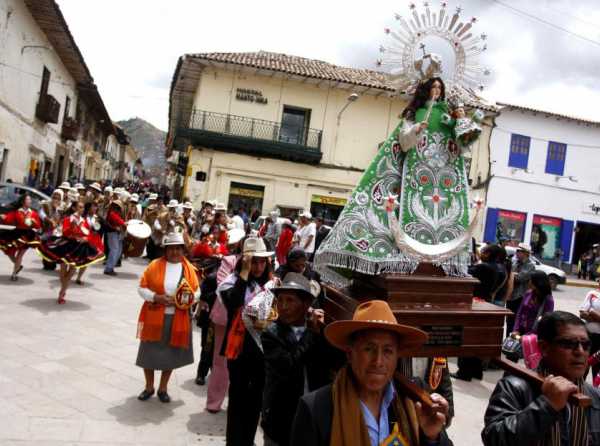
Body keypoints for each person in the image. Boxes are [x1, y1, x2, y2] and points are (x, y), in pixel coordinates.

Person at [315, 77, 481, 279]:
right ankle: (401, 258)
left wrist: (462, 120)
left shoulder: (449, 114)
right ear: (426, 90)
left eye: (439, 87)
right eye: (433, 87)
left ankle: (443, 260)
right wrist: (416, 130)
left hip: (445, 176)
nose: (436, 90)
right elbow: (404, 142)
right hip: (416, 172)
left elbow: (463, 142)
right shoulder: (415, 113)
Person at [290, 300, 452, 446]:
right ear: (349, 353)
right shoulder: (317, 408)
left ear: (397, 356)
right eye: (369, 349)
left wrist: (432, 437)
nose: (378, 361)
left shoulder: (415, 398)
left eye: (388, 351)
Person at [481, 311, 600, 445]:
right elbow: (494, 439)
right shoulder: (514, 387)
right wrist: (547, 404)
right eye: (568, 344)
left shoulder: (594, 398)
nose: (580, 352)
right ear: (544, 347)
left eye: (585, 345)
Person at [261, 273, 331, 446]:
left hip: (313, 417)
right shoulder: (271, 334)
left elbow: (331, 364)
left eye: (290, 300)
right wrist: (311, 333)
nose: (283, 306)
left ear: (306, 304)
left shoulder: (318, 331)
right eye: (280, 300)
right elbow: (288, 366)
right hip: (280, 419)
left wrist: (324, 332)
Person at [219, 237, 274, 446]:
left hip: (262, 352)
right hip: (239, 350)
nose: (258, 267)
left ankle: (248, 441)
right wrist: (243, 273)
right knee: (238, 398)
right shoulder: (230, 283)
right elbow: (232, 304)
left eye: (262, 261)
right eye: (253, 262)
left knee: (255, 401)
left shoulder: (271, 284)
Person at [135, 232, 200, 403]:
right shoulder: (154, 265)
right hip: (154, 316)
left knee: (170, 355)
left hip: (177, 318)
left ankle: (163, 388)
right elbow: (141, 288)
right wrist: (156, 297)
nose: (175, 252)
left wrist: (185, 301)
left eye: (178, 248)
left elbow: (197, 292)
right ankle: (149, 387)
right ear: (166, 250)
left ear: (183, 250)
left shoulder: (189, 269)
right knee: (147, 353)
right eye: (171, 248)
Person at [204, 228, 245, 413]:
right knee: (220, 362)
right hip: (225, 317)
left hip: (249, 322)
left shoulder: (263, 265)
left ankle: (238, 403)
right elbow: (223, 286)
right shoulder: (229, 261)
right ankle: (214, 403)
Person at [38, 200, 105, 303]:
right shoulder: (68, 219)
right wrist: (72, 227)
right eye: (79, 207)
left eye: (82, 207)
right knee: (63, 272)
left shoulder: (84, 221)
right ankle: (63, 289)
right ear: (74, 208)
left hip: (79, 247)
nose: (81, 209)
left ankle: (62, 292)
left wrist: (86, 239)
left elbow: (89, 234)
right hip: (67, 245)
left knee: (71, 272)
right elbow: (64, 231)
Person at [0, 194, 42, 281]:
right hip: (17, 233)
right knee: (9, 251)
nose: (30, 201)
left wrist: (33, 222)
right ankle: (18, 265)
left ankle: (14, 274)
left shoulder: (33, 213)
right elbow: (8, 219)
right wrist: (3, 217)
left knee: (20, 255)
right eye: (28, 199)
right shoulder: (17, 212)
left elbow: (38, 225)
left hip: (28, 235)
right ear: (23, 202)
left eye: (30, 200)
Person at [512, 270, 554, 336]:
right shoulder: (528, 294)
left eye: (530, 280)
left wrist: (529, 335)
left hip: (534, 336)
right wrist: (516, 329)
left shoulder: (548, 300)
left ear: (537, 283)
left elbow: (545, 322)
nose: (528, 282)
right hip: (520, 331)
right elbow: (519, 313)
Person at [506, 243, 535, 335]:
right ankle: (507, 341)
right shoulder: (514, 262)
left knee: (518, 321)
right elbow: (508, 275)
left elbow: (520, 278)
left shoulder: (530, 265)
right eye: (517, 251)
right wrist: (512, 275)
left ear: (526, 253)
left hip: (521, 296)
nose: (517, 253)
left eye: (519, 251)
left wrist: (512, 275)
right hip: (511, 295)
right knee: (509, 321)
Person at [75, 201, 103, 286]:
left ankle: (79, 278)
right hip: (80, 240)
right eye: (93, 206)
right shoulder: (82, 216)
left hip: (90, 241)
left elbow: (101, 228)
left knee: (86, 260)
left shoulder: (97, 218)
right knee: (75, 258)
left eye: (96, 207)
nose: (95, 208)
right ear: (88, 208)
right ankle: (69, 273)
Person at [579, 279, 600, 379]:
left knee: (597, 370)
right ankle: (580, 391)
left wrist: (593, 313)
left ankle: (595, 393)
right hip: (589, 334)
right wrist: (595, 317)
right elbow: (582, 313)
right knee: (583, 366)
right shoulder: (592, 294)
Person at [104, 201, 126, 276]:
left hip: (116, 234)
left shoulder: (115, 213)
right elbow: (121, 222)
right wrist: (124, 224)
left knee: (118, 251)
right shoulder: (112, 214)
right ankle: (108, 268)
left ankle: (111, 267)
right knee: (114, 250)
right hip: (112, 233)